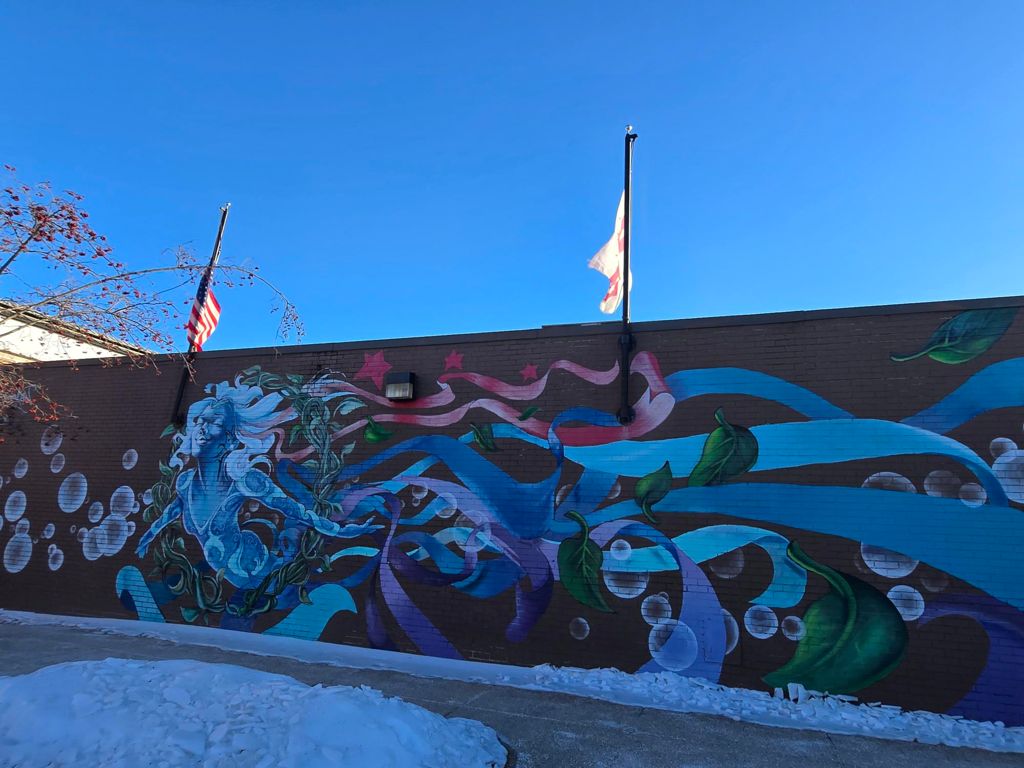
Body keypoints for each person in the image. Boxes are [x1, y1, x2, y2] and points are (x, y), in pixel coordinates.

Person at [136, 381, 377, 589]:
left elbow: (298, 512)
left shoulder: (246, 481)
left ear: (230, 441)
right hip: (237, 586)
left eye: (214, 422)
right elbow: (173, 510)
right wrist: (149, 535)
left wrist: (340, 531)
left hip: (259, 572)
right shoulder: (185, 482)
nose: (201, 429)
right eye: (201, 421)